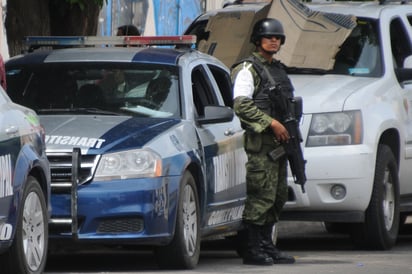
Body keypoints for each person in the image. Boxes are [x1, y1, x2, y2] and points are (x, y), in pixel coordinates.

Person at [231, 18, 297, 266]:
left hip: (280, 144)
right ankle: (251, 248)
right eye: (269, 37)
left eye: (278, 38)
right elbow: (241, 104)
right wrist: (272, 123)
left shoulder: (278, 69)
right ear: (258, 40)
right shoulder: (248, 69)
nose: (274, 41)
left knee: (277, 196)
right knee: (261, 195)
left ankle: (267, 245)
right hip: (261, 144)